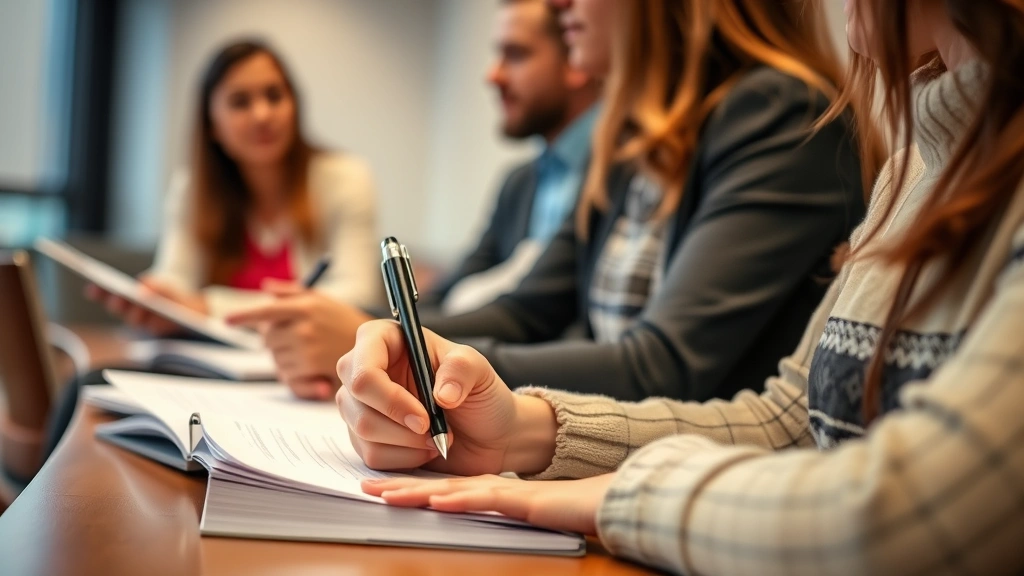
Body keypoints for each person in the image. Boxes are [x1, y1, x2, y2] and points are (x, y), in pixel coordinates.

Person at [336, 0, 1024, 573]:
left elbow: (908, 520)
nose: (559, 7)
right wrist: (520, 432)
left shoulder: (779, 113)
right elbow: (790, 423)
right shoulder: (914, 170)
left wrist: (621, 494)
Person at [233, 0, 869, 404]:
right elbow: (526, 311)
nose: (559, 5)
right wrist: (379, 327)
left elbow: (668, 365)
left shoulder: (780, 113)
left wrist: (422, 353)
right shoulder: (635, 144)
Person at [227, 0, 601, 398]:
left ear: (576, 59)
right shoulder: (520, 183)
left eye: (516, 54)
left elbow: (529, 316)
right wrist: (366, 326)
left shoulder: (611, 176)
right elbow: (450, 293)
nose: (493, 75)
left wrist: (366, 330)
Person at [88, 39, 380, 333]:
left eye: (274, 95)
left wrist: (207, 307)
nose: (263, 115)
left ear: (294, 106)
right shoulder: (192, 190)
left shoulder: (345, 178)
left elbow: (356, 297)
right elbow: (176, 278)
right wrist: (158, 297)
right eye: (240, 102)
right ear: (213, 126)